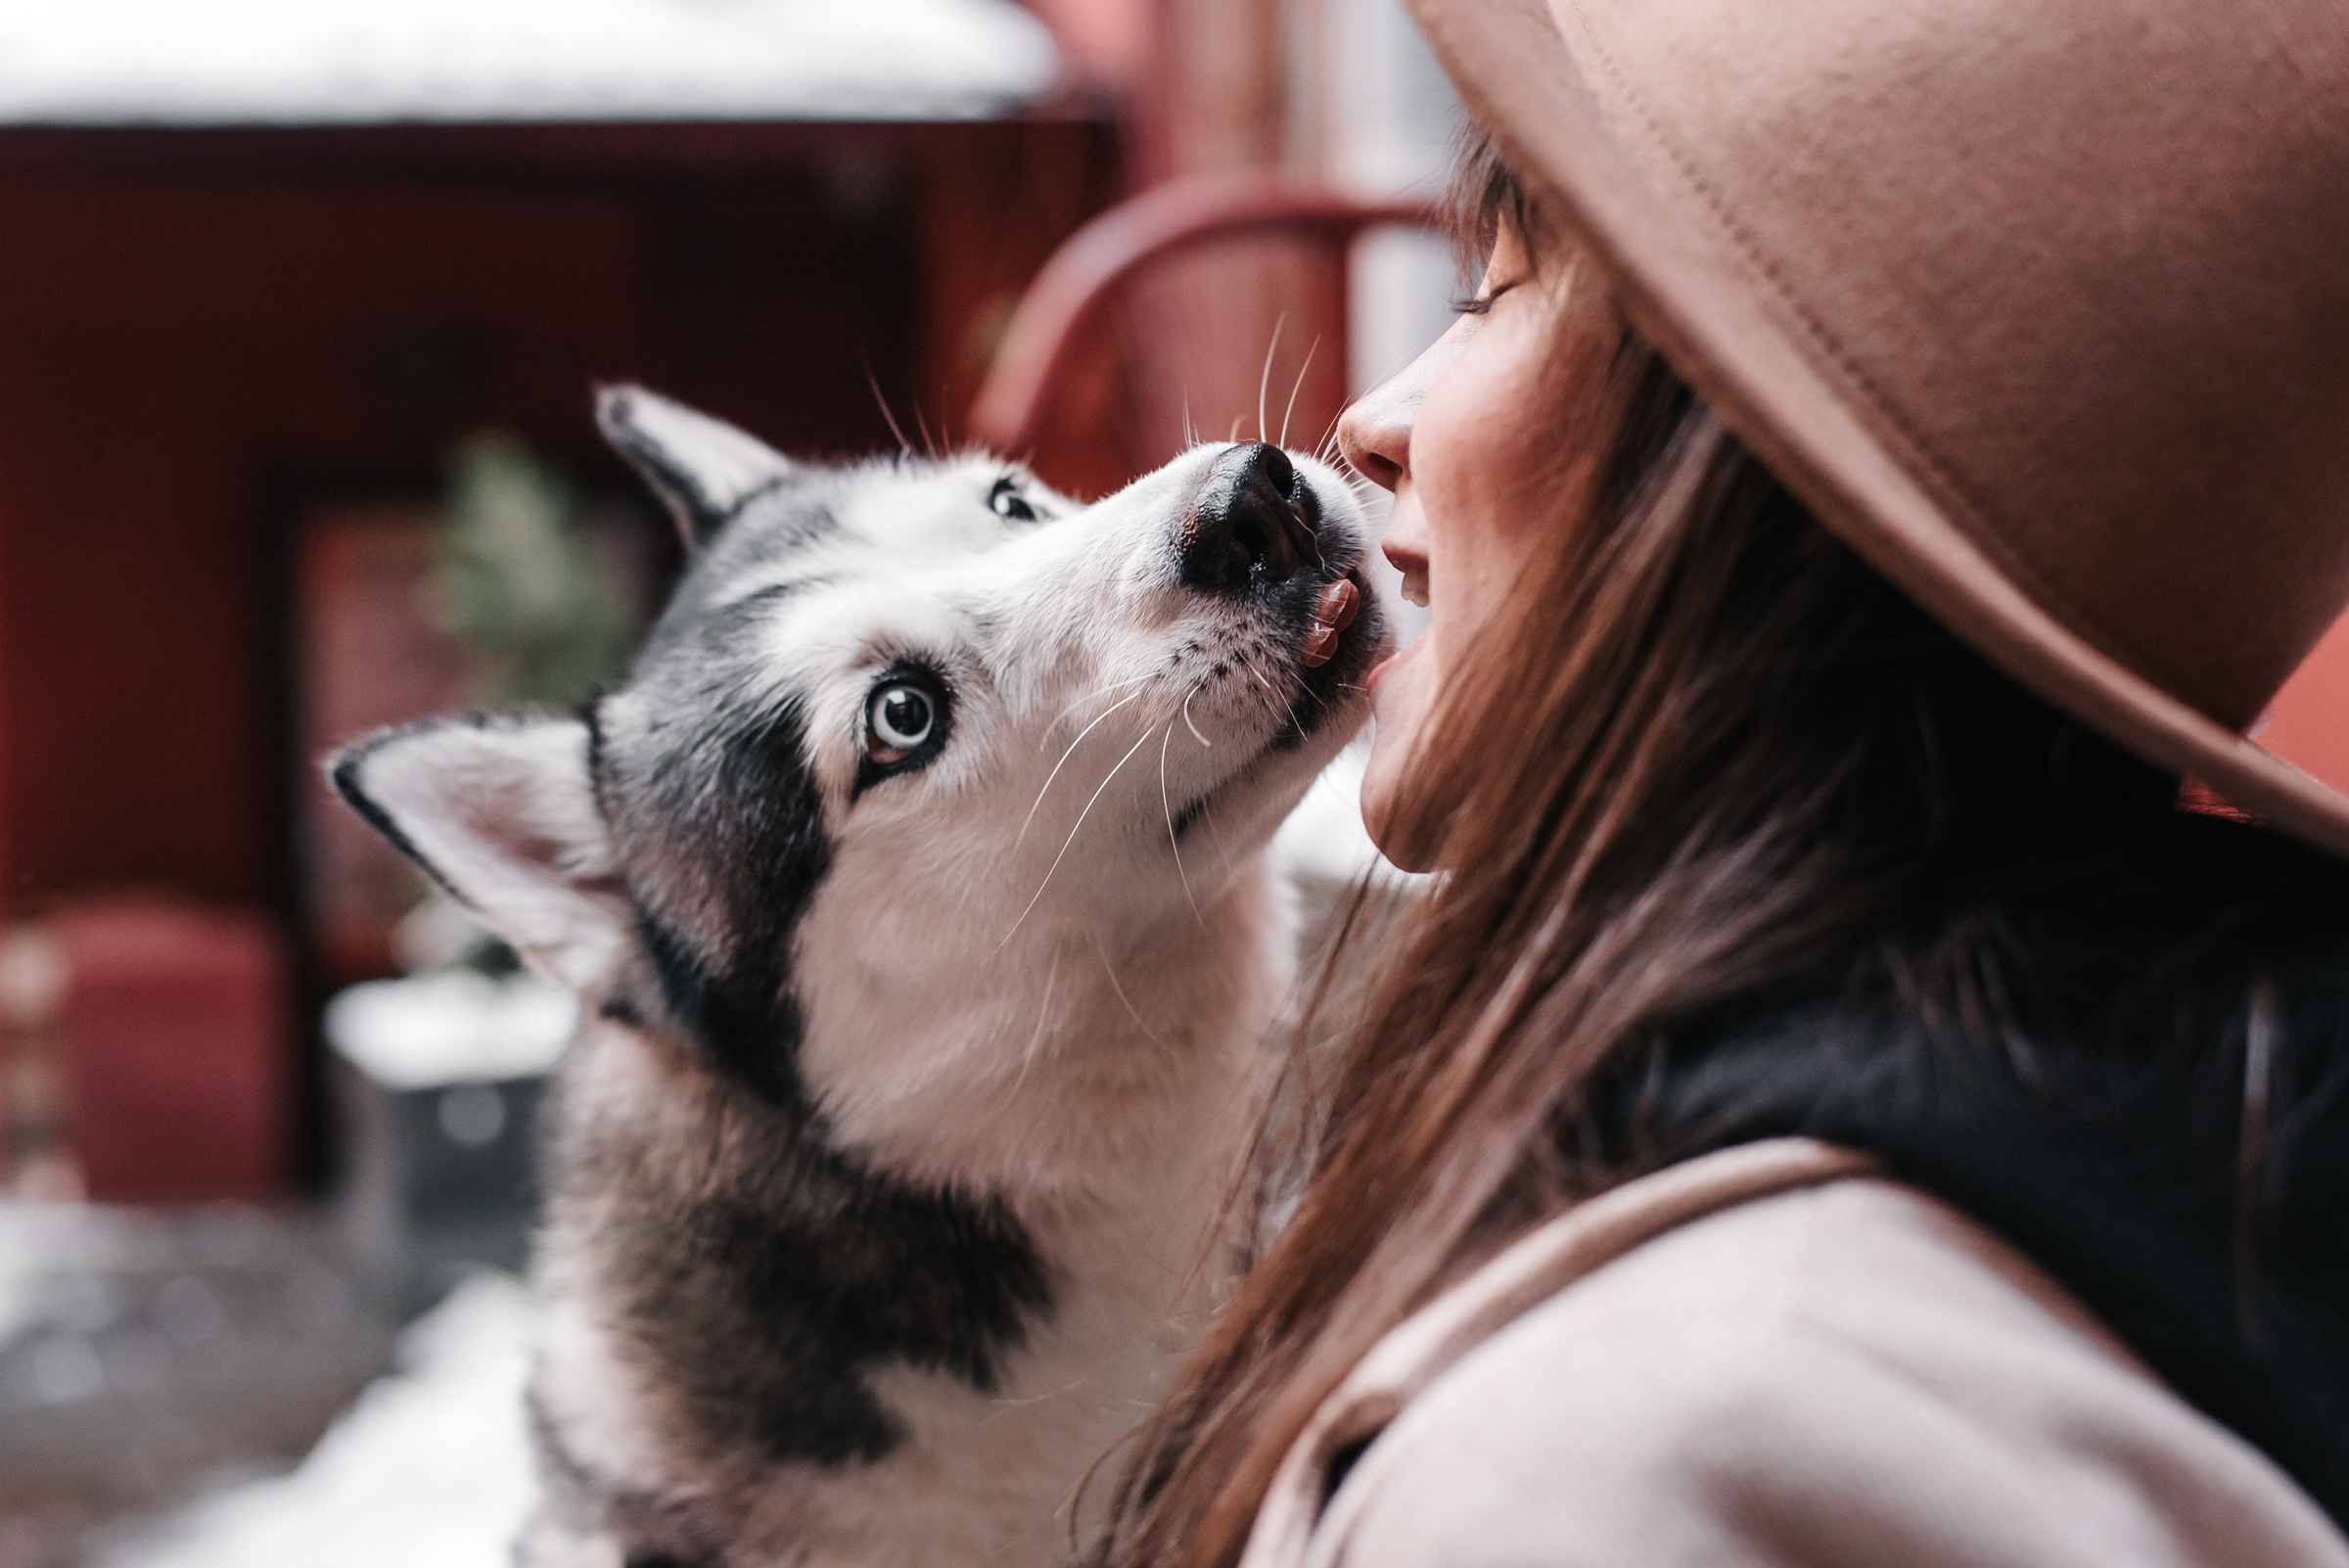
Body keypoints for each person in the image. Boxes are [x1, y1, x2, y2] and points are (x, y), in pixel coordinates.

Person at [1092, 0, 2349, 1564]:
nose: (1375, 421)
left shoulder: (1614, 1466)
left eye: (1494, 292)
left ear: (1734, 490)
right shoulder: (2183, 1210)